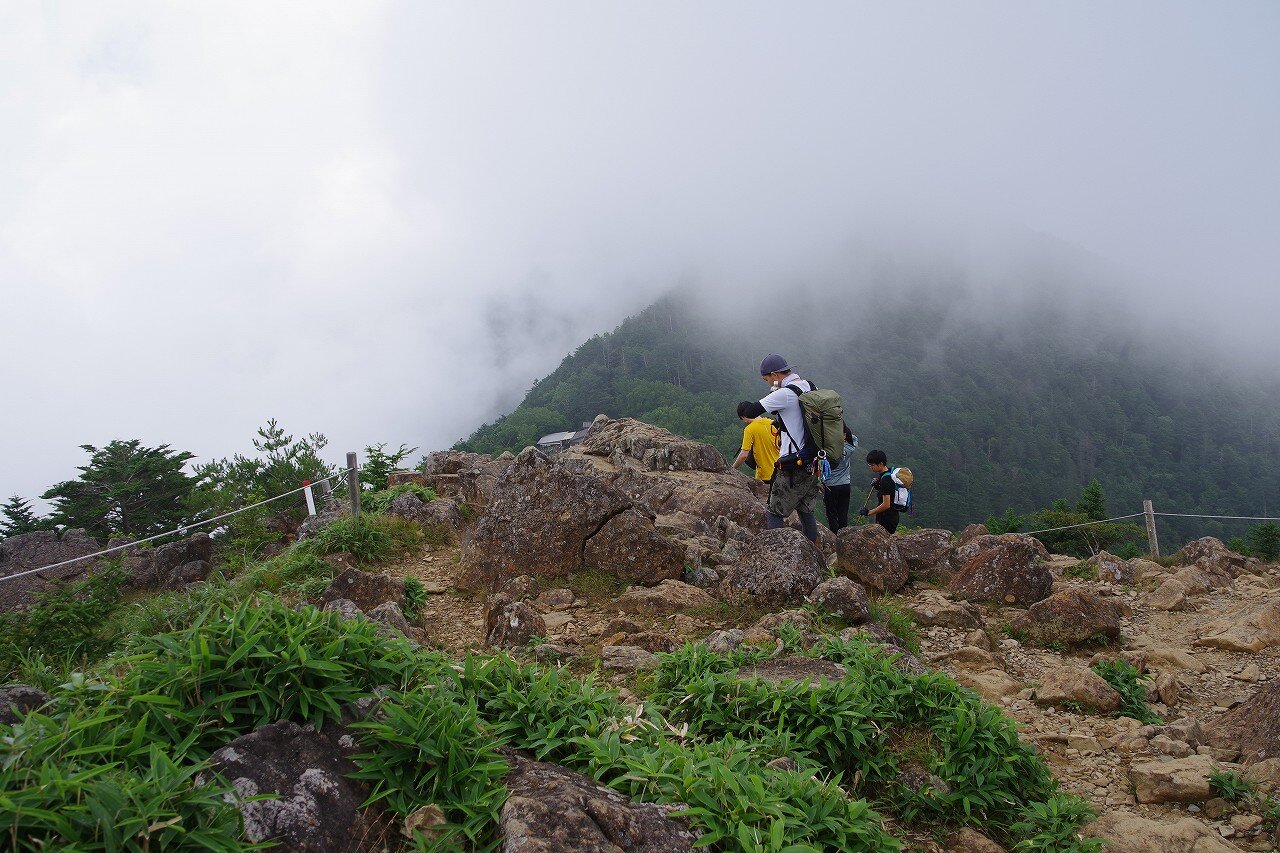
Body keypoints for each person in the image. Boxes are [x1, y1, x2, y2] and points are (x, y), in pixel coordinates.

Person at [757, 353, 820, 542]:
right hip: (814, 461)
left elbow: (751, 409)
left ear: (775, 375)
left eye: (767, 379)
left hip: (794, 462)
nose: (767, 383)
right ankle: (813, 555)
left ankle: (774, 556)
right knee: (805, 510)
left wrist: (772, 392)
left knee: (775, 512)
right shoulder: (810, 386)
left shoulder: (784, 393)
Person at [821, 425, 858, 533]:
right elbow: (854, 438)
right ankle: (844, 536)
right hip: (845, 484)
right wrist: (844, 435)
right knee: (843, 513)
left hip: (830, 486)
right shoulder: (850, 447)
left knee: (831, 514)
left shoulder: (829, 449)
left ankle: (834, 536)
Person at [731, 401, 780, 483]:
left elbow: (744, 455)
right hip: (780, 472)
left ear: (743, 417)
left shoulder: (749, 429)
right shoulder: (772, 422)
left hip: (765, 476)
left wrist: (732, 468)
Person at [859, 448, 900, 534]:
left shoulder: (885, 479)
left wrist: (869, 512)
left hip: (887, 519)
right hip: (891, 516)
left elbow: (886, 504)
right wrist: (878, 486)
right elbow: (888, 491)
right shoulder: (888, 473)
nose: (871, 467)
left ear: (881, 464)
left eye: (872, 465)